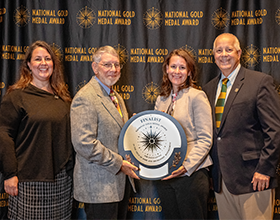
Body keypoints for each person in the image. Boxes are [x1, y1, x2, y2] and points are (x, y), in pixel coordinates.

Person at [203, 33, 280, 220]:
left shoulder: (260, 82)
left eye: (228, 49)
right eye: (219, 50)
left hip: (254, 179)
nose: (224, 54)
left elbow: (275, 130)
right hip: (222, 182)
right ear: (213, 56)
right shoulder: (209, 89)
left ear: (239, 53)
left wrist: (265, 169)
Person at [0, 40, 74, 220]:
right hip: (29, 181)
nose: (43, 63)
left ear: (53, 64)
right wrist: (10, 174)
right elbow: (3, 134)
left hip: (62, 181)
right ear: (28, 65)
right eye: (38, 59)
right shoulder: (17, 96)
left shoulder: (63, 98)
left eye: (48, 59)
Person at [70, 45, 139, 220]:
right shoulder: (85, 97)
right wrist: (119, 163)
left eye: (116, 65)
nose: (113, 70)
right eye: (107, 65)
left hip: (119, 186)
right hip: (99, 188)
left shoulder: (116, 96)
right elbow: (84, 144)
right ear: (95, 67)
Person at [154, 48, 213, 220]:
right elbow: (157, 137)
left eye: (182, 67)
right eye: (173, 67)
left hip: (191, 175)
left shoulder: (197, 96)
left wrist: (185, 167)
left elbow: (205, 139)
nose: (177, 72)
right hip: (166, 175)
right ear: (166, 69)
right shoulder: (161, 99)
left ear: (189, 72)